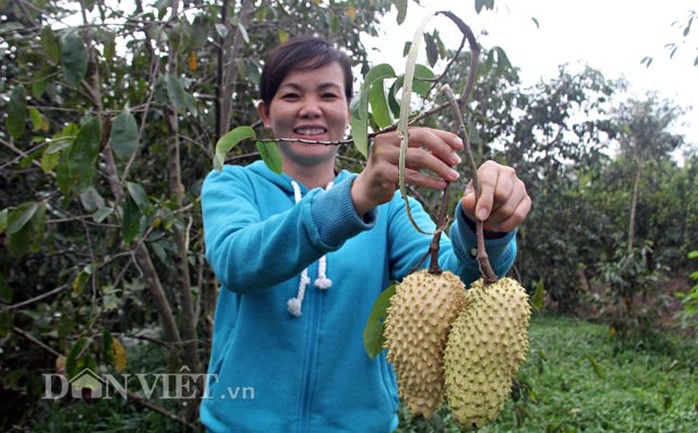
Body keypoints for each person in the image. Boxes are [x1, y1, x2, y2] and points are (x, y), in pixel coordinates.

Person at [200, 36, 530, 433]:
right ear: (265, 113)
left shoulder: (389, 205)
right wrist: (352, 201)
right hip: (241, 422)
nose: (311, 109)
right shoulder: (232, 184)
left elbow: (448, 273)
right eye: (291, 95)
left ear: (347, 111)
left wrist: (486, 227)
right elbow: (238, 260)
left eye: (328, 94)